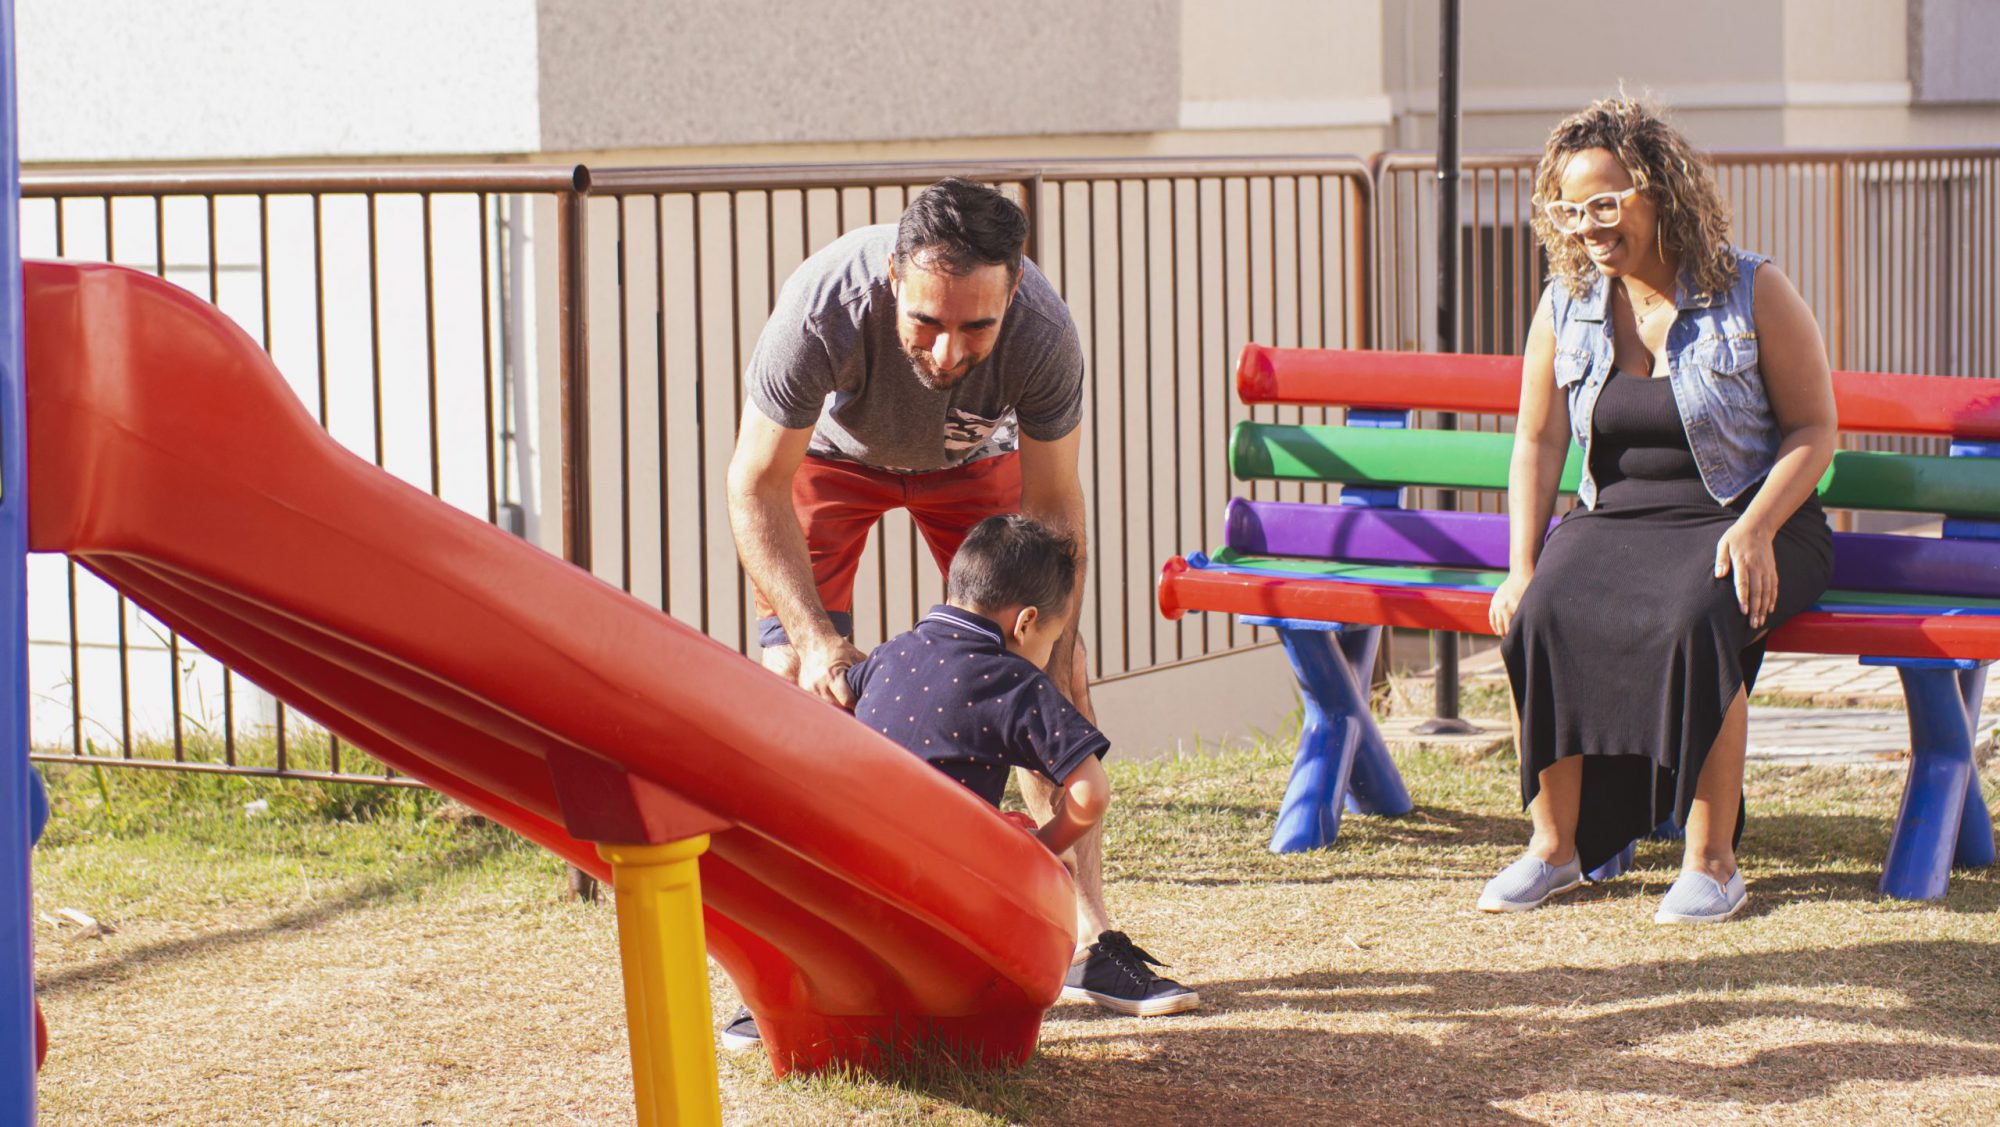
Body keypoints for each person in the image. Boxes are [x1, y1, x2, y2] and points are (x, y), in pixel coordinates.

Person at [722, 178, 1198, 1048]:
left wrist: (1036, 659)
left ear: (1012, 291)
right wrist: (816, 638)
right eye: (926, 322)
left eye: (975, 327)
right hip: (831, 464)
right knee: (790, 679)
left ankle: (1093, 941)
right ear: (894, 276)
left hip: (969, 467)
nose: (946, 352)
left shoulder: (1044, 331)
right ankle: (795, 964)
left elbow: (1056, 504)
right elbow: (755, 484)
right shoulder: (823, 305)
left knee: (1062, 668)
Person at [1482, 98, 1836, 924]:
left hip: (1749, 514)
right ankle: (1554, 848)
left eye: (1605, 205)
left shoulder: (1751, 288)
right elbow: (1536, 444)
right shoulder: (1565, 303)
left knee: (1692, 619)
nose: (1586, 228)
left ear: (1659, 192)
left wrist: (1755, 527)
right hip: (1617, 520)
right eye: (1570, 210)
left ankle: (1713, 863)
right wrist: (1522, 566)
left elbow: (1815, 430)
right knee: (1538, 616)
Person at [846, 515, 1114, 870]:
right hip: (950, 874)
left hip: (857, 849)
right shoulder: (1017, 682)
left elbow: (837, 703)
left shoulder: (890, 653)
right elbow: (1091, 793)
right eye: (1051, 640)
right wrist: (1045, 847)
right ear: (1026, 623)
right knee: (1024, 834)